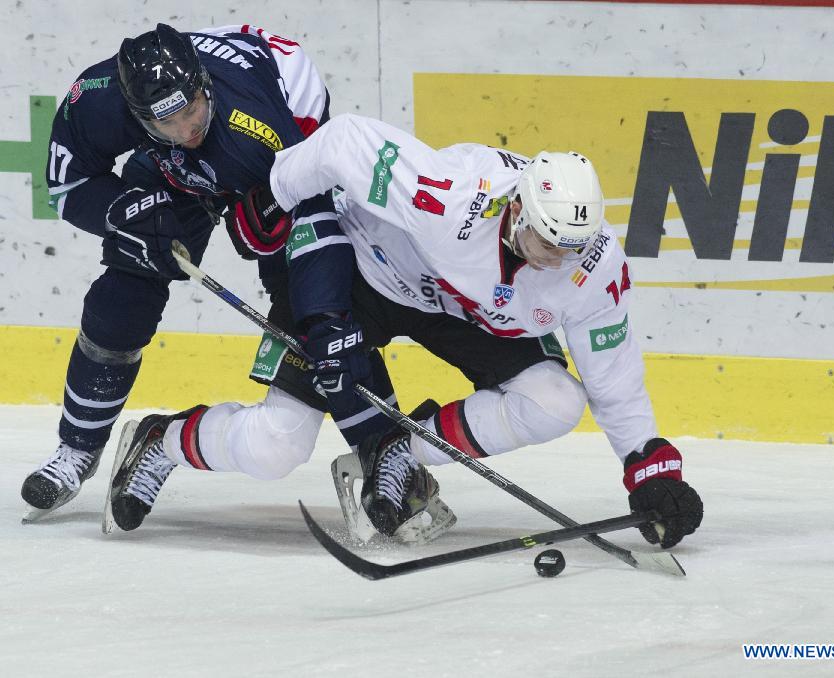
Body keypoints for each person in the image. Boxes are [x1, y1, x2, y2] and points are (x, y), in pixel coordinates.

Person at [108, 114, 703, 550]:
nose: (558, 261)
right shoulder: (450, 196)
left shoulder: (593, 269)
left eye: (571, 249)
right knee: (277, 446)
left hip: (458, 308)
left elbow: (615, 377)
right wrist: (269, 201)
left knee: (556, 401)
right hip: (362, 277)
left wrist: (650, 466)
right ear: (517, 210)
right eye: (548, 243)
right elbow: (342, 142)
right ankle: (159, 441)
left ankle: (400, 449)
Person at [20, 22, 373, 521]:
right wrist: (125, 211)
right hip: (174, 172)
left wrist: (323, 315)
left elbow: (315, 228)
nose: (187, 130)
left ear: (204, 85)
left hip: (272, 165)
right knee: (123, 296)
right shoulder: (99, 99)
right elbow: (66, 187)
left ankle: (382, 453)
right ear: (137, 116)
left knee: (321, 315)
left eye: (191, 111)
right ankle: (76, 450)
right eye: (168, 124)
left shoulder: (263, 129)